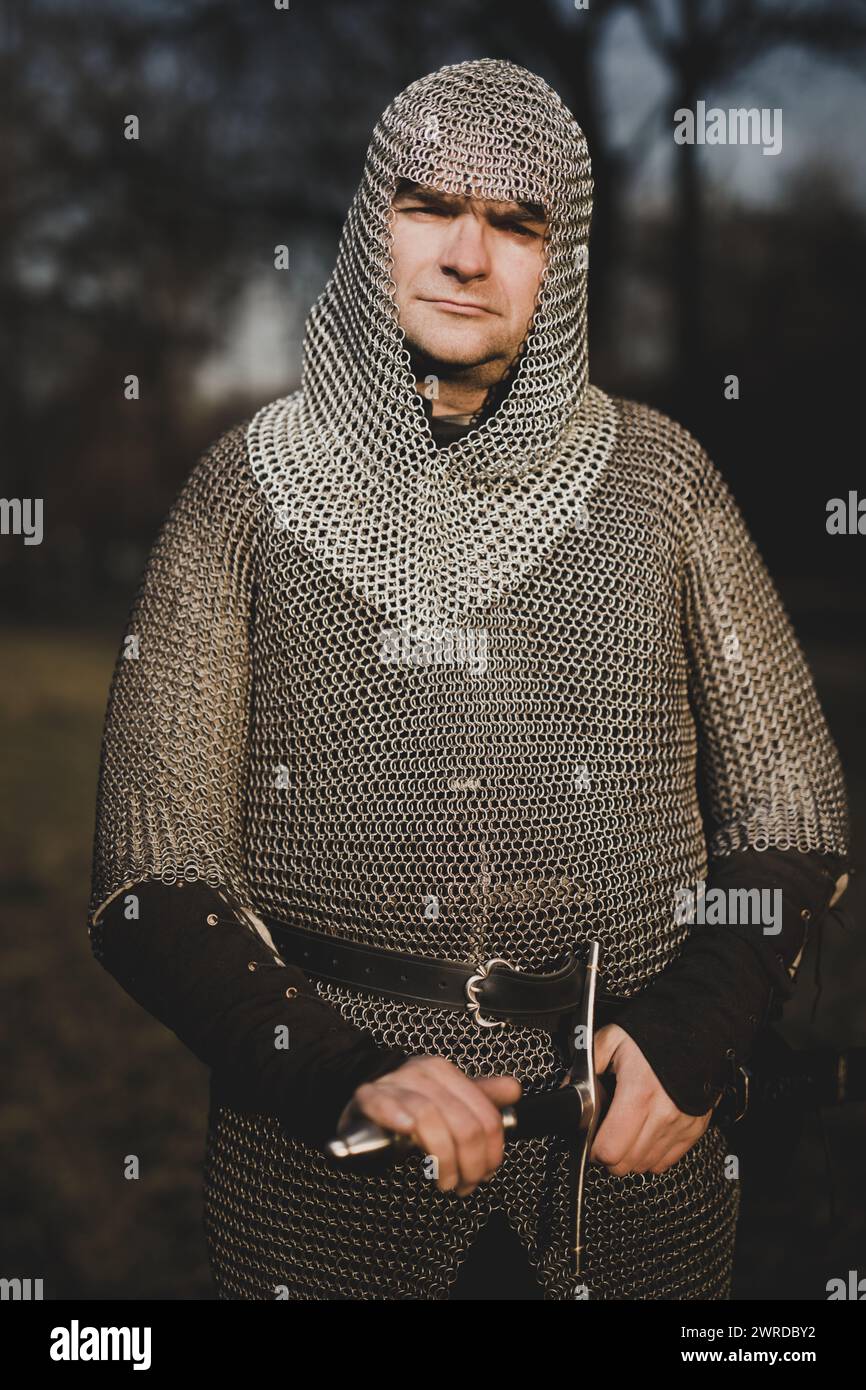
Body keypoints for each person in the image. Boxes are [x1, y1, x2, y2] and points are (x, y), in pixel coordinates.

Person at [88, 59, 850, 1301]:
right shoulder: (245, 493)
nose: (464, 253)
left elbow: (790, 815)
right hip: (331, 1174)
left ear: (561, 261)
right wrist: (333, 1067)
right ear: (366, 225)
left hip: (622, 1165)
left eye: (513, 223)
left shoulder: (658, 484)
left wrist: (697, 1029)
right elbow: (149, 879)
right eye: (427, 207)